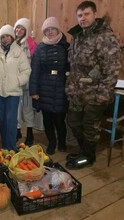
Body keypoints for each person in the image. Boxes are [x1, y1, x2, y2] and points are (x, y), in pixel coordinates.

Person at [65, 1, 121, 169]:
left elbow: (112, 68)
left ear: (95, 14)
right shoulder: (77, 36)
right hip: (77, 92)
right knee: (73, 121)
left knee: (90, 126)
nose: (83, 18)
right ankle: (84, 151)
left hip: (95, 93)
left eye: (87, 14)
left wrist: (103, 94)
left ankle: (88, 157)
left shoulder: (105, 36)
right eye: (80, 15)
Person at [29, 17, 69, 155]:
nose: (50, 32)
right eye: (47, 30)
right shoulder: (40, 48)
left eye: (53, 29)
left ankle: (62, 142)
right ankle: (52, 143)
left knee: (60, 119)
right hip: (44, 86)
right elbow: (35, 70)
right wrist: (34, 91)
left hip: (61, 87)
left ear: (58, 30)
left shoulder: (66, 46)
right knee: (47, 119)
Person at [0, 24, 31, 151]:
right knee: (1, 119)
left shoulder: (19, 52)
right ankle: (4, 145)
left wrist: (18, 81)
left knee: (11, 120)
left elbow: (26, 71)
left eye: (7, 36)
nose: (5, 39)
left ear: (12, 37)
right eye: (3, 36)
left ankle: (11, 147)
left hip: (13, 92)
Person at [14, 18, 38, 145]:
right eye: (17, 27)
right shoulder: (11, 42)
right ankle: (17, 130)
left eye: (22, 29)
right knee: (16, 107)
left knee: (27, 108)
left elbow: (33, 64)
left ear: (26, 31)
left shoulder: (31, 44)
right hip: (14, 81)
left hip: (27, 81)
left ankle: (30, 132)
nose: (19, 30)